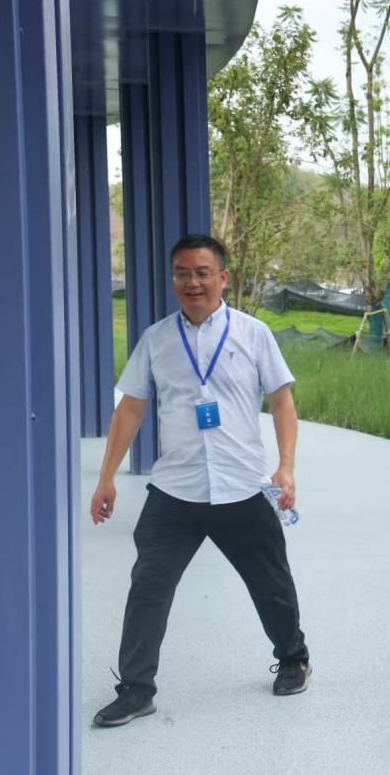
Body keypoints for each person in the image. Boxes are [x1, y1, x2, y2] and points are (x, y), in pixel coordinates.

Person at [90, 234, 309, 728]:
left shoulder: (253, 334)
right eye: (182, 274)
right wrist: (107, 478)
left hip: (241, 486)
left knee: (271, 582)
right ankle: (136, 689)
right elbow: (130, 409)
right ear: (173, 280)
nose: (192, 282)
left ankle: (293, 657)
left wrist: (286, 466)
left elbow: (282, 402)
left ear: (223, 277)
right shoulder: (156, 340)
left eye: (202, 272)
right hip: (175, 490)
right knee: (148, 588)